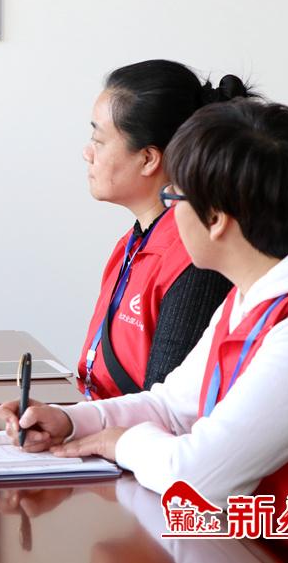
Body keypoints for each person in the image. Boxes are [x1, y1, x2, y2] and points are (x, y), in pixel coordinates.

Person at [0, 99, 288, 562]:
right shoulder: (255, 293)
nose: (169, 214)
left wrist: (120, 442)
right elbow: (171, 406)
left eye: (174, 198)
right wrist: (72, 422)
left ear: (216, 220)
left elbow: (197, 481)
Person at [76, 60, 244, 399]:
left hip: (128, 432)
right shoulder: (133, 243)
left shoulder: (195, 259)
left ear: (149, 159)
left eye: (99, 140)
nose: (87, 153)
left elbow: (165, 408)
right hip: (99, 423)